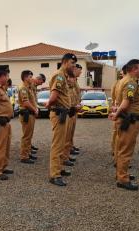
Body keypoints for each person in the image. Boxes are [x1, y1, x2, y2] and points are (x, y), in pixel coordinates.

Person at [109, 59, 139, 190]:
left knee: (120, 149)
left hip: (125, 119)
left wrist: (116, 113)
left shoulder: (123, 81)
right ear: (134, 69)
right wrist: (117, 114)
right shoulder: (130, 82)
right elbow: (125, 103)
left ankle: (121, 174)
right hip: (129, 121)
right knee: (125, 150)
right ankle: (123, 179)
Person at [45, 53, 77, 187]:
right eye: (72, 64)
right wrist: (48, 105)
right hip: (59, 114)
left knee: (62, 143)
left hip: (63, 113)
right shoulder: (59, 76)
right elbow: (53, 97)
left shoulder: (63, 76)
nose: (74, 67)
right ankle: (54, 175)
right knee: (57, 145)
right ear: (65, 62)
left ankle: (59, 169)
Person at [18, 70, 39, 164]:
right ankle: (24, 156)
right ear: (26, 78)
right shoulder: (23, 88)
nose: (32, 79)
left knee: (29, 136)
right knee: (26, 136)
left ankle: (28, 153)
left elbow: (32, 100)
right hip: (27, 113)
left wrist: (35, 109)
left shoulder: (29, 87)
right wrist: (34, 110)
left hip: (31, 114)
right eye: (30, 77)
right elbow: (26, 102)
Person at [110, 65, 127, 163]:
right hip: (121, 111)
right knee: (119, 135)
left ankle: (115, 153)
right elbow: (114, 97)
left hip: (118, 110)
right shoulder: (123, 83)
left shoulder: (119, 83)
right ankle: (118, 157)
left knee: (117, 133)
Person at [30, 73, 46, 152]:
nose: (41, 84)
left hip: (33, 110)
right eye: (41, 82)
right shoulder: (30, 85)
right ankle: (26, 150)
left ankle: (29, 146)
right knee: (27, 133)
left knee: (30, 132)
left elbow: (34, 99)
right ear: (39, 79)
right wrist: (34, 109)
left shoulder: (34, 86)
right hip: (29, 111)